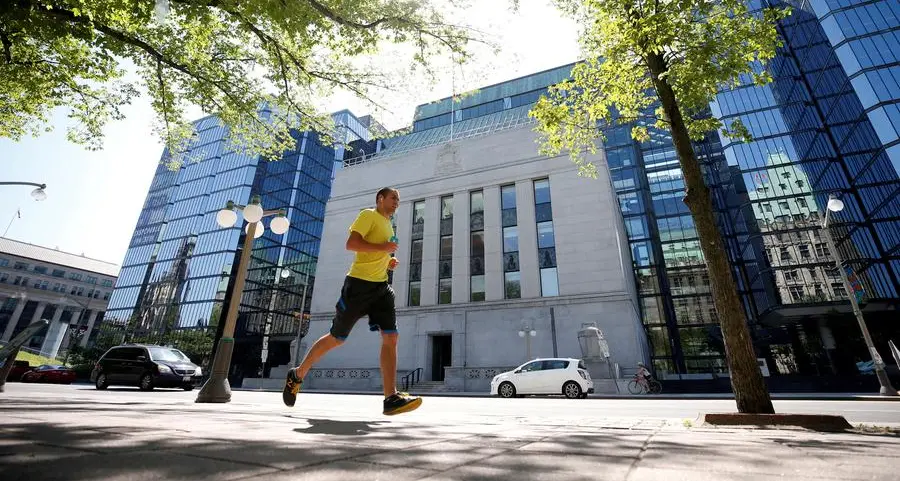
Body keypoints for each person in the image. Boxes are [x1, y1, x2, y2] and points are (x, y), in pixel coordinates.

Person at [282, 187, 422, 415]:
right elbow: (352, 244)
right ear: (380, 199)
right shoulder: (368, 215)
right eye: (393, 198)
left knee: (391, 336)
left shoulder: (387, 224)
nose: (397, 202)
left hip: (382, 287)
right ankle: (297, 374)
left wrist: (387, 261)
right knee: (337, 338)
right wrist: (383, 248)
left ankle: (390, 397)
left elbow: (373, 253)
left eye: (399, 199)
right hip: (358, 286)